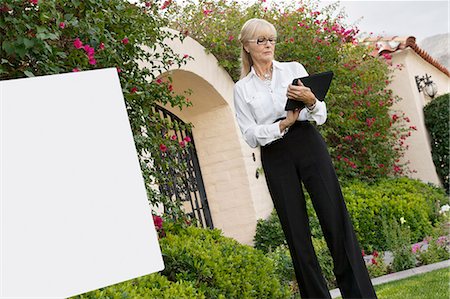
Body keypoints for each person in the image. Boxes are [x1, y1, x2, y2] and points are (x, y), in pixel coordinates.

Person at [233, 18, 378, 299]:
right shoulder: (242, 89)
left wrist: (311, 100)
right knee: (295, 230)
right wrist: (281, 125)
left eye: (271, 39)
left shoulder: (293, 69)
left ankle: (359, 294)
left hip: (307, 141)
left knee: (334, 216)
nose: (268, 45)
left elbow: (319, 114)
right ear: (247, 46)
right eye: (260, 40)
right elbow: (250, 135)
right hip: (276, 153)